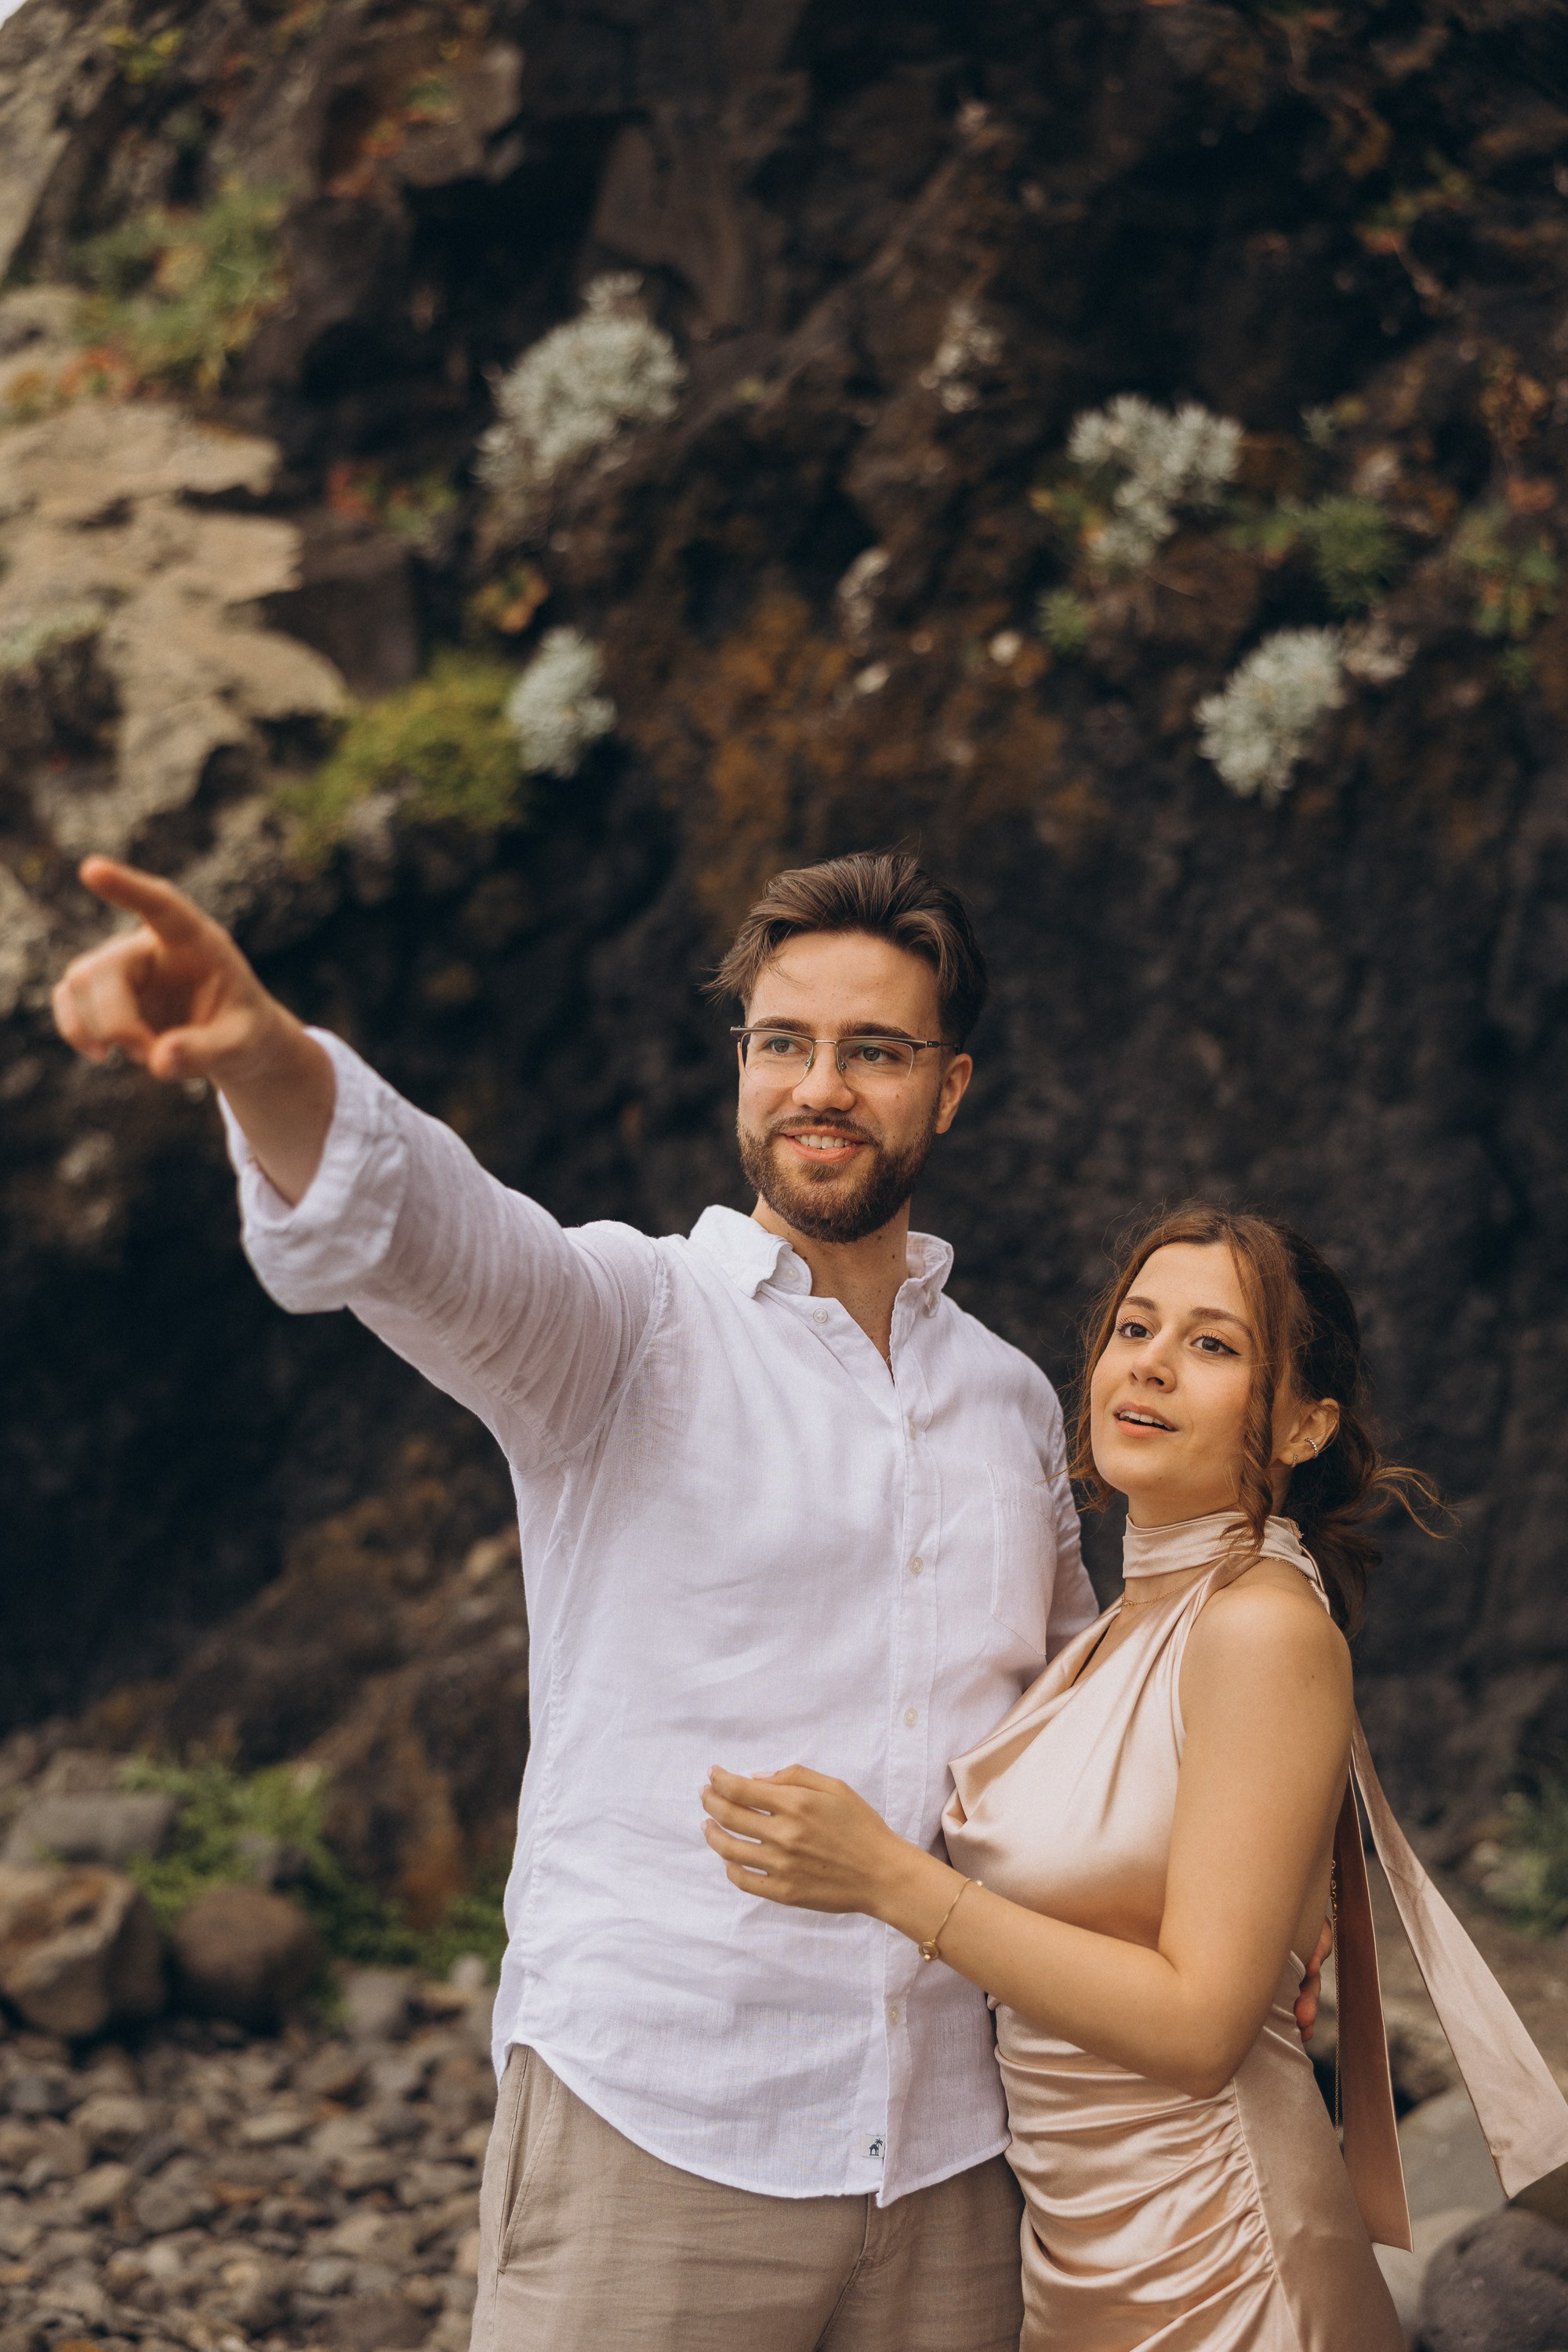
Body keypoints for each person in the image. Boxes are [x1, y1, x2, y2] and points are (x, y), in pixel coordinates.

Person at [58, 843, 1141, 2350]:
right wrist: (267, 1059)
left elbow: (1087, 1734)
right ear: (741, 1067)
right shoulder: (625, 1323)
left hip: (961, 2155)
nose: (821, 1084)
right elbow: (437, 1236)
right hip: (662, 2122)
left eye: (874, 1051)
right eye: (784, 1043)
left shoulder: (1014, 1400)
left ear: (949, 1089)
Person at [702, 1204, 1568, 2349]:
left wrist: (889, 1881)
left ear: (1304, 1424)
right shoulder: (1118, 1631)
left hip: (1223, 2262)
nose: (1150, 1364)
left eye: (1212, 1345)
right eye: (1134, 1327)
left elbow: (1203, 2027)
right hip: (1085, 2253)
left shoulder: (1261, 1627)